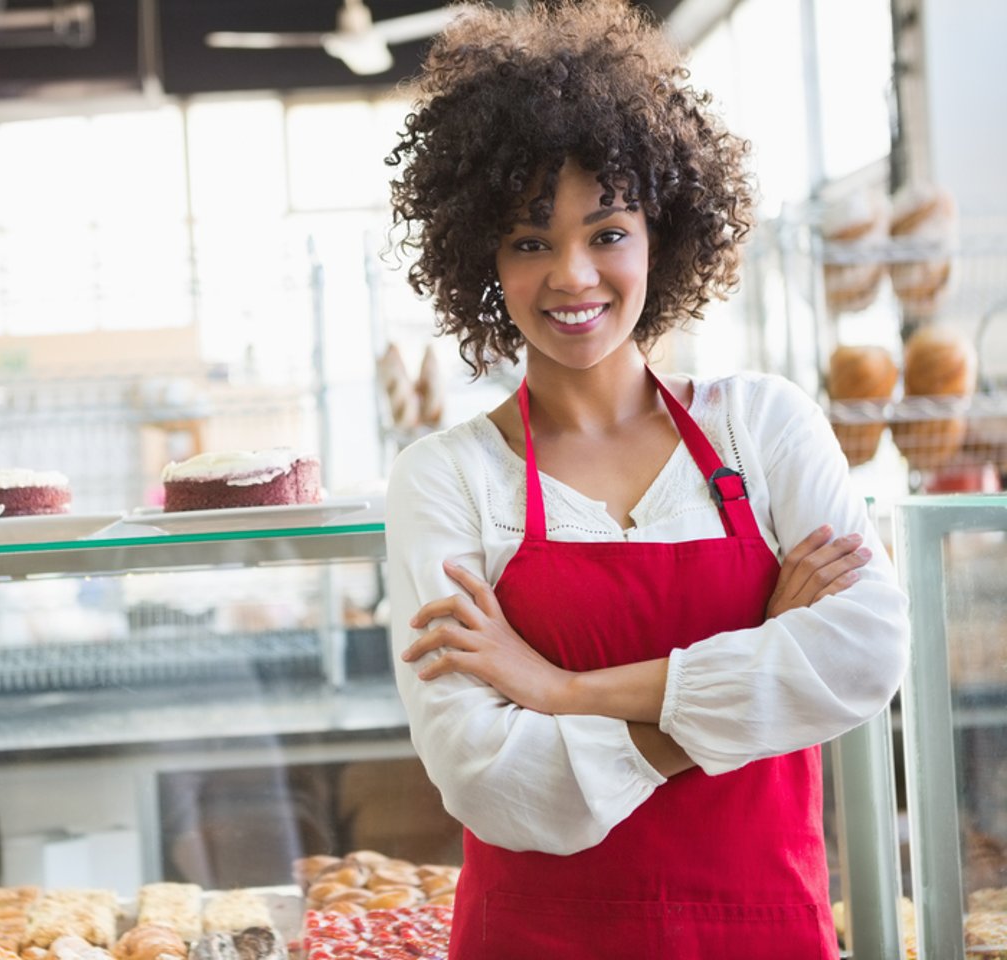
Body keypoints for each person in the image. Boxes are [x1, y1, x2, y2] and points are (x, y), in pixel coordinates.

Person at [381, 3, 910, 958]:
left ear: (662, 232)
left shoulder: (765, 424)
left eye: (608, 230)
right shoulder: (445, 479)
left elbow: (864, 656)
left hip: (763, 934)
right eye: (530, 241)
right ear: (482, 260)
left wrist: (561, 692)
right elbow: (489, 780)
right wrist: (758, 659)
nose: (574, 276)